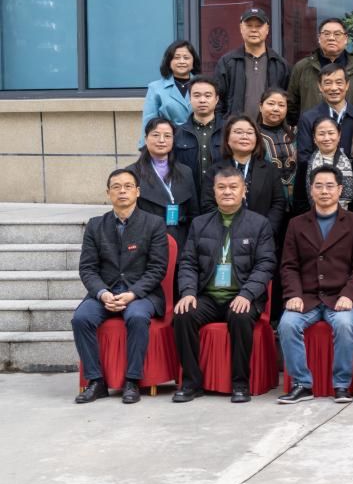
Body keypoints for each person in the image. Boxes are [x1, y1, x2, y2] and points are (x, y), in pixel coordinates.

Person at [172, 165, 277, 403]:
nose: (227, 192)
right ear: (214, 191)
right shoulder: (200, 224)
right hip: (208, 296)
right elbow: (188, 262)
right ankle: (191, 382)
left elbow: (265, 264)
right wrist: (188, 292)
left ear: (244, 190)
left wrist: (247, 294)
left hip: (242, 295)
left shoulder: (259, 224)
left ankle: (240, 383)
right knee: (183, 314)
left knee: (240, 316)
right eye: (221, 187)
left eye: (233, 187)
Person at [71, 169, 170, 404]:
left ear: (138, 191)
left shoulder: (154, 224)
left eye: (128, 186)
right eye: (116, 187)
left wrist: (132, 293)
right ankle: (96, 381)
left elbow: (157, 268)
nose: (122, 191)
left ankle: (132, 381)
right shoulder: (96, 225)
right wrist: (102, 293)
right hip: (105, 292)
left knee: (137, 317)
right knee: (80, 319)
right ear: (108, 193)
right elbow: (87, 268)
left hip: (141, 294)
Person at [276, 165, 353, 404]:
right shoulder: (296, 224)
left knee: (344, 324)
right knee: (287, 324)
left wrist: (349, 294)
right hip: (307, 297)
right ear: (311, 190)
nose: (324, 191)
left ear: (340, 189)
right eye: (318, 186)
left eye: (330, 186)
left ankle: (341, 385)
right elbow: (289, 266)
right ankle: (302, 384)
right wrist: (293, 295)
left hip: (340, 297)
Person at [202, 114, 287, 239]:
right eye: (238, 132)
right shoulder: (214, 171)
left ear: (257, 138)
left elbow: (278, 203)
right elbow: (208, 204)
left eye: (250, 133)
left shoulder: (270, 170)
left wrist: (267, 230)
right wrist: (226, 229)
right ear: (227, 138)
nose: (244, 136)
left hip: (262, 237)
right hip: (224, 236)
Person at [128, 118, 200, 249]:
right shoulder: (132, 173)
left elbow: (193, 213)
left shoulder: (185, 172)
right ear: (146, 139)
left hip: (182, 243)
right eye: (156, 135)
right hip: (148, 243)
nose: (161, 140)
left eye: (167, 136)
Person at [213, 6, 289, 117]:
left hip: (269, 127)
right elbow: (217, 101)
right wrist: (224, 124)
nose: (254, 30)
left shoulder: (279, 64)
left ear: (267, 29)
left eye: (259, 26)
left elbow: (288, 102)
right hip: (236, 126)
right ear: (241, 28)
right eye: (249, 26)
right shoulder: (227, 62)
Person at [286, 16, 353, 124]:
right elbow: (291, 104)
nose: (331, 38)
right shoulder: (303, 67)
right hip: (311, 129)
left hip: (351, 129)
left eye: (337, 34)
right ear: (319, 38)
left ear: (346, 39)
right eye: (326, 34)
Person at [295, 62, 353, 163]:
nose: (334, 88)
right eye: (328, 83)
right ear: (320, 86)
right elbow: (304, 158)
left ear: (347, 85)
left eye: (339, 82)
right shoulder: (308, 118)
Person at [140, 40, 199, 138]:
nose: (182, 61)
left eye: (186, 58)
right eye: (176, 57)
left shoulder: (203, 85)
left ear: (193, 61)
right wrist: (145, 145)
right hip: (168, 141)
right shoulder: (156, 88)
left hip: (198, 141)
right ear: (169, 61)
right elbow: (148, 123)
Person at [173, 76, 224, 181]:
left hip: (222, 189)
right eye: (197, 95)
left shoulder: (229, 131)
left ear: (216, 99)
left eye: (208, 96)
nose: (202, 100)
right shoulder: (177, 133)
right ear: (190, 99)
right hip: (188, 190)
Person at [301, 117, 353, 212]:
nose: (326, 138)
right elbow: (300, 201)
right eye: (321, 134)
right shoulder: (304, 165)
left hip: (347, 218)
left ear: (339, 136)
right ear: (314, 138)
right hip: (312, 217)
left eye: (331, 133)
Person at [257, 88, 298, 211]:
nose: (276, 109)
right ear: (260, 106)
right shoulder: (252, 134)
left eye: (281, 105)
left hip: (297, 198)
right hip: (267, 200)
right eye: (271, 104)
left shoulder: (296, 132)